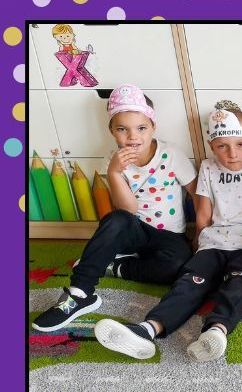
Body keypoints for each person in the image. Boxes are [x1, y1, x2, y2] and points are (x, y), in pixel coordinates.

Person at [93, 102, 242, 361]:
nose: (232, 154)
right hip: (215, 241)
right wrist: (198, 246)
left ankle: (217, 330)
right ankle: (148, 328)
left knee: (240, 283)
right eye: (222, 146)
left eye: (241, 145)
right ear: (211, 146)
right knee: (189, 282)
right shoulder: (208, 167)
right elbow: (203, 213)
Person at [32, 84, 197, 332]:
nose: (133, 137)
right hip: (133, 232)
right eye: (122, 129)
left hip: (169, 236)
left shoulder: (171, 154)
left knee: (177, 267)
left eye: (141, 128)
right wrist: (114, 173)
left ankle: (115, 266)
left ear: (153, 127)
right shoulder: (113, 160)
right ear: (112, 131)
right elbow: (128, 210)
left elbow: (197, 193)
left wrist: (201, 232)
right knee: (116, 218)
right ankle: (80, 294)